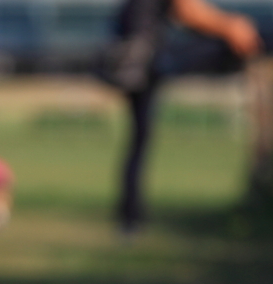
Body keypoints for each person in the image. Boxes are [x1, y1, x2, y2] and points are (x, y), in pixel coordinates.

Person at [102, 0, 262, 235]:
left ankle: (130, 216)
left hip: (141, 57)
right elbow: (189, 12)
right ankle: (130, 216)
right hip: (148, 59)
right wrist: (231, 26)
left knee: (140, 137)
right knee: (140, 136)